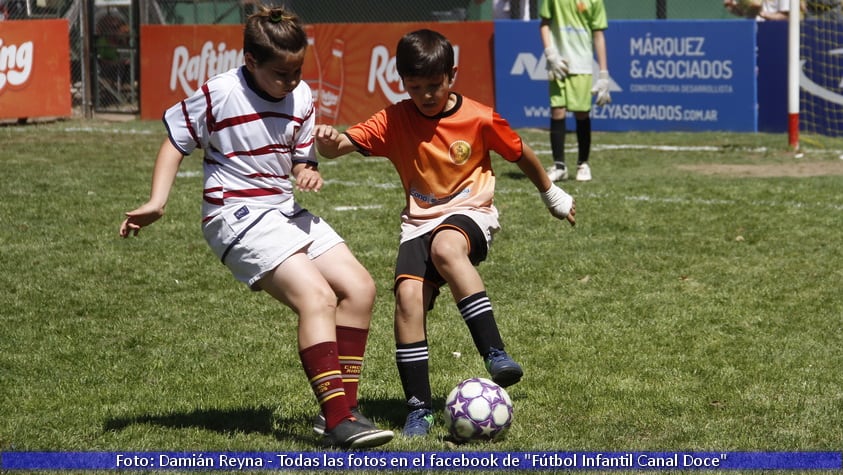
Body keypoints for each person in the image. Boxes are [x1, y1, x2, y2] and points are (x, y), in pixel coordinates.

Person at [118, 5, 393, 450]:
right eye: (281, 73)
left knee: (360, 288)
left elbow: (302, 157)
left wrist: (309, 169)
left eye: (298, 69)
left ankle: (341, 414)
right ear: (251, 62)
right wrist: (157, 201)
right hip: (234, 215)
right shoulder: (220, 92)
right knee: (317, 297)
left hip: (282, 208)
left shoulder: (302, 96)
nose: (292, 81)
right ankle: (340, 418)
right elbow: (175, 141)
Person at [314, 29, 576, 437]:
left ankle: (495, 353)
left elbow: (520, 153)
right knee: (407, 299)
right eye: (415, 87)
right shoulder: (394, 119)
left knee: (447, 246)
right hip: (417, 223)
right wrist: (329, 142)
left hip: (471, 211)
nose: (426, 95)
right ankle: (419, 408)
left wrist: (551, 193)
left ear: (452, 75)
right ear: (402, 83)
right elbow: (340, 146)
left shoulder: (479, 116)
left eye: (434, 85)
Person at [539, 0, 610, 182]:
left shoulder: (595, 1)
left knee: (581, 113)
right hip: (559, 63)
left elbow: (598, 34)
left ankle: (583, 164)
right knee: (557, 111)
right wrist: (550, 53)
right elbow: (545, 24)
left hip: (583, 64)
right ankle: (559, 166)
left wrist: (603, 74)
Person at [723, 0, 792, 20]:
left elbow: (786, 16)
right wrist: (732, 7)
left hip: (774, 31)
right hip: (751, 29)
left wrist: (763, 14)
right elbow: (744, 13)